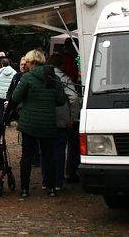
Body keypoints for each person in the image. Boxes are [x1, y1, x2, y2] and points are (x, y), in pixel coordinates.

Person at [8, 49, 67, 198]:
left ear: (33, 62)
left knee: (27, 156)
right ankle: (51, 188)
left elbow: (15, 97)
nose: (26, 64)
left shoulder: (27, 78)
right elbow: (61, 100)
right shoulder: (53, 78)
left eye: (27, 61)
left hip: (29, 122)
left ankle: (24, 189)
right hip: (48, 122)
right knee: (48, 155)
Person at [47, 53, 77, 191]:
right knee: (59, 150)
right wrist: (72, 117)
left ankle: (46, 181)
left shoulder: (43, 77)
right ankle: (58, 181)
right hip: (62, 118)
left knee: (46, 151)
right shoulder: (65, 79)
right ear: (62, 65)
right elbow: (74, 98)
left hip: (46, 118)